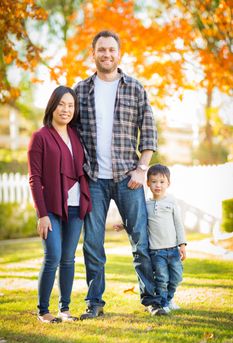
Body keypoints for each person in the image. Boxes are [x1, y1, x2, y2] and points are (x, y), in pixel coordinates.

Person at [74, 30, 166, 319]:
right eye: (101, 50)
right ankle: (95, 303)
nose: (107, 54)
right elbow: (71, 133)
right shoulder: (80, 91)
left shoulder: (135, 88)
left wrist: (142, 169)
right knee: (92, 242)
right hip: (93, 179)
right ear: (93, 54)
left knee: (140, 240)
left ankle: (151, 300)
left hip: (129, 177)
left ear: (119, 53)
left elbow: (149, 130)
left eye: (111, 50)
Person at [27, 86, 91, 323]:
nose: (66, 109)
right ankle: (43, 311)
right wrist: (41, 214)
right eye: (62, 104)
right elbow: (35, 178)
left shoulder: (76, 135)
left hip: (75, 208)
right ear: (52, 106)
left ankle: (65, 309)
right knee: (52, 256)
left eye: (70, 105)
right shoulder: (40, 137)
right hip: (51, 208)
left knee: (68, 258)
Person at [115, 164, 187, 314]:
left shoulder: (172, 201)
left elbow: (178, 224)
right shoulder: (145, 204)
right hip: (156, 251)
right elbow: (137, 220)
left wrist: (182, 244)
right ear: (148, 183)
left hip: (173, 249)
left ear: (168, 183)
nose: (158, 185)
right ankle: (163, 302)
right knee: (162, 279)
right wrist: (124, 225)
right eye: (154, 181)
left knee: (176, 277)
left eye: (162, 182)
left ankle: (169, 297)